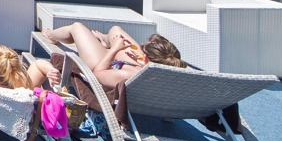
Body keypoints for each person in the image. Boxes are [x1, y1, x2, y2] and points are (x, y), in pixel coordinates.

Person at [42, 22, 185, 89]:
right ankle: (105, 40)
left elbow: (98, 74)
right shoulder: (169, 75)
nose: (140, 51)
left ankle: (50, 35)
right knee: (116, 30)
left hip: (100, 65)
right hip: (131, 67)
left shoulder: (129, 75)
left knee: (77, 27)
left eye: (143, 50)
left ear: (146, 58)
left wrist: (115, 49)